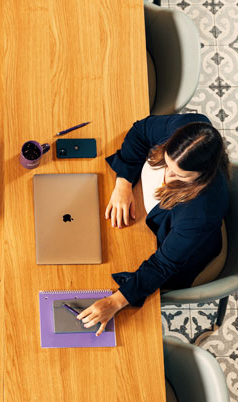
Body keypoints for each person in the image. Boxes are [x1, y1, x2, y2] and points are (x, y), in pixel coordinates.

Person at [77, 114, 230, 335]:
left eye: (180, 176)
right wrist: (123, 183)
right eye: (167, 164)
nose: (167, 177)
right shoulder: (186, 129)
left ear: (202, 175)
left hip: (177, 251)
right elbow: (140, 131)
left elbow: (163, 266)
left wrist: (116, 302)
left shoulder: (199, 214)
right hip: (148, 213)